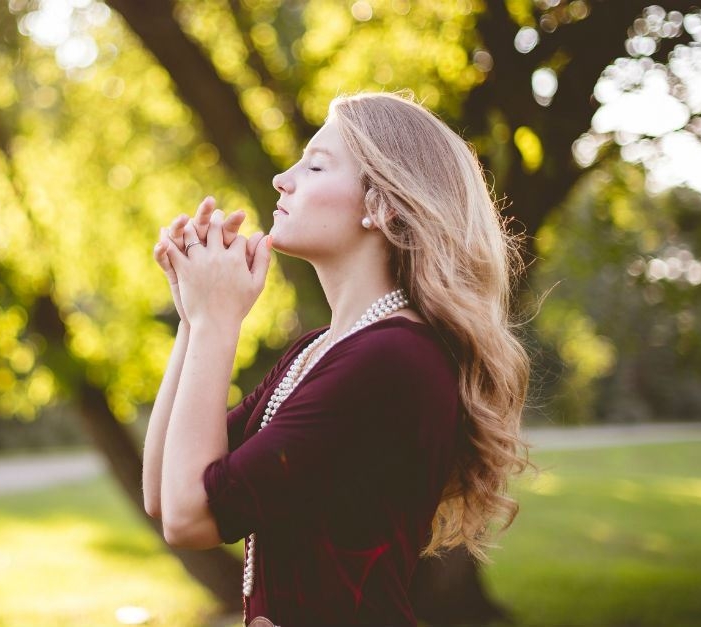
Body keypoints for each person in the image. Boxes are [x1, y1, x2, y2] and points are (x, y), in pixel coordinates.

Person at [141, 92, 532, 626]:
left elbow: (192, 518)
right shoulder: (319, 350)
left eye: (315, 164)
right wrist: (193, 318)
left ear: (382, 206)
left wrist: (218, 322)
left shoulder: (392, 359)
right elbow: (164, 492)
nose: (284, 177)